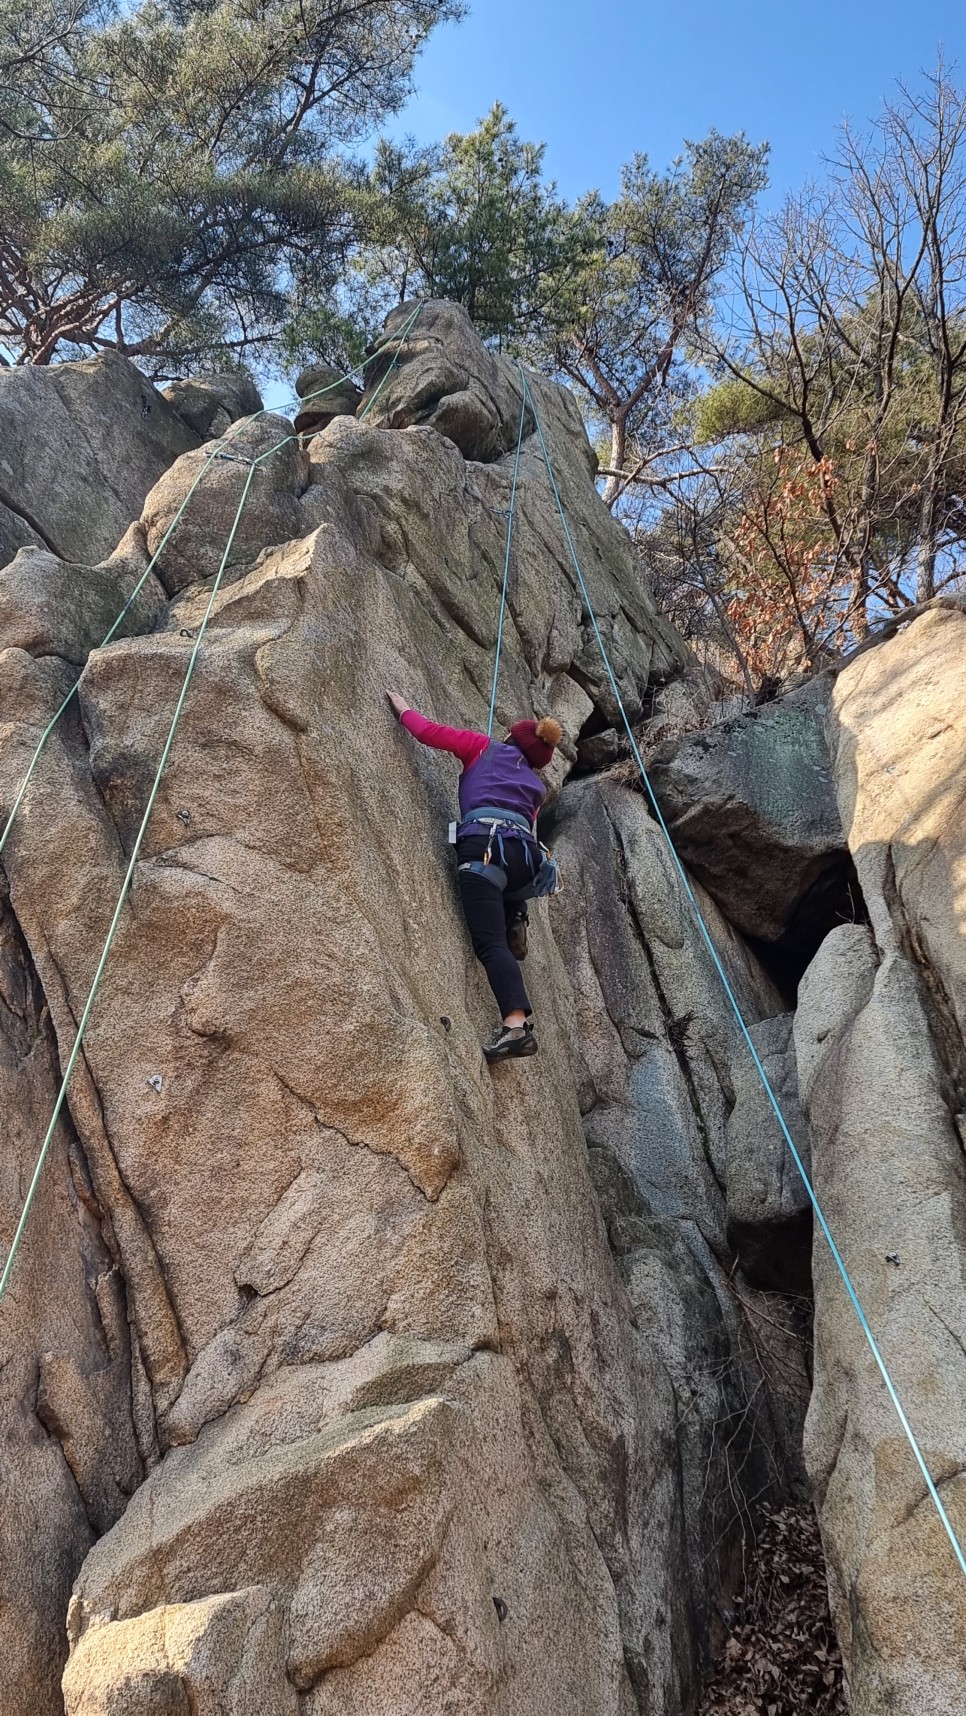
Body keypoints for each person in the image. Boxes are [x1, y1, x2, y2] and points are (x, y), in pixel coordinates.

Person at [386, 692, 563, 1061]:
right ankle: (515, 914)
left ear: (511, 738)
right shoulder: (535, 787)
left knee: (490, 944)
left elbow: (428, 732)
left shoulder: (482, 746)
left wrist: (403, 709)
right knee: (507, 889)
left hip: (483, 846)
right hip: (524, 861)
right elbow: (528, 830)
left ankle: (516, 1027)